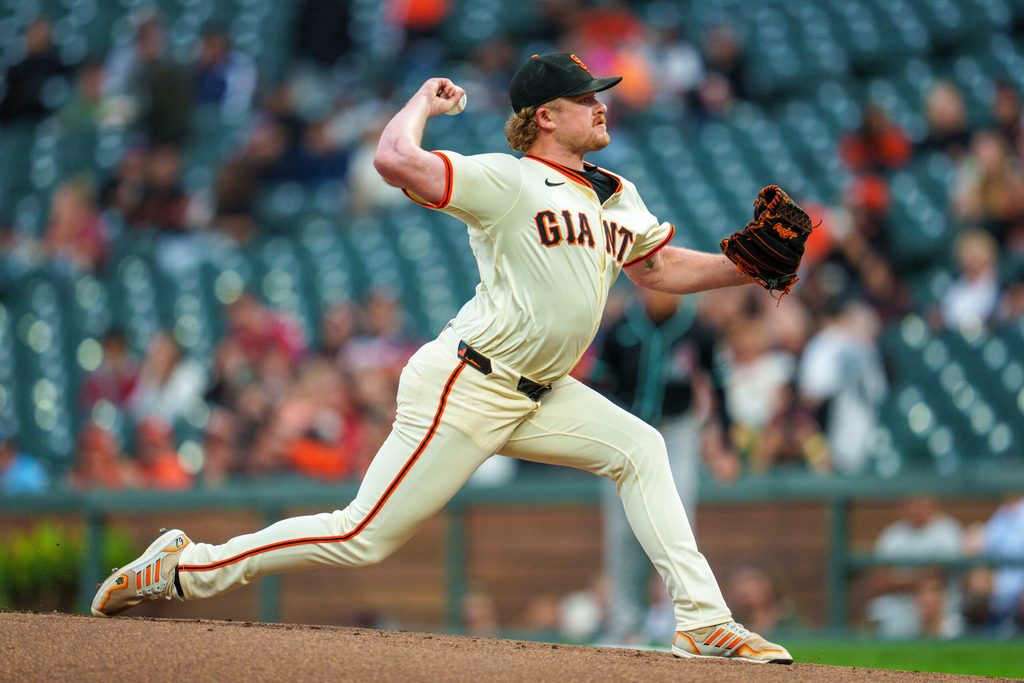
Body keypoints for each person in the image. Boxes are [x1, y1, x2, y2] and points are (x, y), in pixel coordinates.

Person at [91, 53, 793, 665]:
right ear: (545, 116)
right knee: (360, 536)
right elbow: (395, 159)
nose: (600, 103)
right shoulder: (508, 180)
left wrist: (748, 265)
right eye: (585, 97)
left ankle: (705, 622)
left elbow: (660, 268)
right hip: (468, 382)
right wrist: (422, 102)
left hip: (541, 392)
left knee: (641, 447)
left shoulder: (616, 193)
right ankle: (183, 568)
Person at [593, 287, 738, 644]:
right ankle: (626, 627)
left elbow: (720, 386)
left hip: (677, 433)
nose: (660, 295)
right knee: (624, 531)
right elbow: (596, 383)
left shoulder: (698, 330)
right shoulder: (620, 327)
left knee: (679, 525)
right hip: (626, 431)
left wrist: (727, 443)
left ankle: (684, 625)